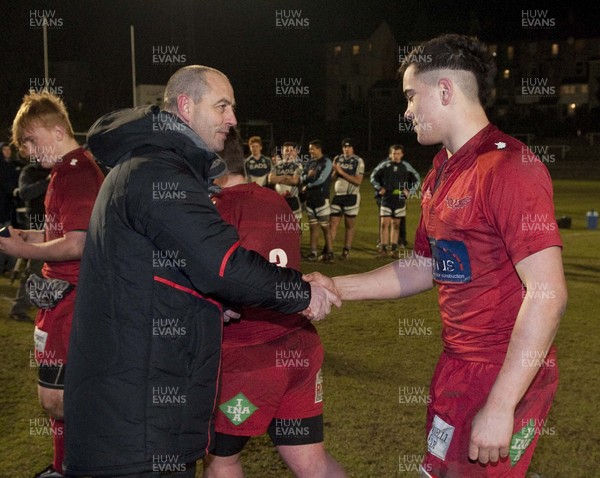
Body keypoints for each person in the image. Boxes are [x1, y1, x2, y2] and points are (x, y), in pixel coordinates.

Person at [306, 34, 567, 477]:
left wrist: (503, 404)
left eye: (411, 96)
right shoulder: (441, 171)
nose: (406, 111)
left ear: (445, 90)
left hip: (501, 369)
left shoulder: (508, 168)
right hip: (457, 365)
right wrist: (337, 287)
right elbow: (426, 266)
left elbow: (547, 293)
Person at [63, 65, 339, 478]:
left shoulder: (155, 167)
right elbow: (223, 266)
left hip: (142, 414)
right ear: (186, 106)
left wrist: (208, 307)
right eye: (222, 106)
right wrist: (303, 292)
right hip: (133, 424)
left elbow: (166, 279)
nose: (232, 118)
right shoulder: (155, 172)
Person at [203, 130, 346, 478]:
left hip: (249, 358)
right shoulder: (274, 200)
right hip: (298, 347)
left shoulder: (217, 210)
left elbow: (227, 282)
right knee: (312, 463)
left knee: (221, 460)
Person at [0, 92, 106, 478]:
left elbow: (78, 243)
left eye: (31, 139)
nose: (28, 150)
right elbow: (64, 230)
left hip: (72, 302)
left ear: (57, 130)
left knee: (57, 399)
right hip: (63, 300)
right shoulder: (69, 169)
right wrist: (28, 237)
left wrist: (24, 250)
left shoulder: (76, 171)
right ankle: (66, 466)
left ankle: (81, 466)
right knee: (61, 398)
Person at [8, 146, 50, 322]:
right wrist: (47, 181)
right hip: (36, 223)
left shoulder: (58, 170)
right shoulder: (29, 171)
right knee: (35, 268)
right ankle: (19, 307)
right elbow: (25, 193)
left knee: (53, 269)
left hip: (57, 224)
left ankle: (45, 306)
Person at [371, 144, 419, 258]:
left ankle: (393, 249)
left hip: (399, 199)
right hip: (386, 198)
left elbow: (416, 178)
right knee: (384, 224)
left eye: (398, 153)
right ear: (390, 154)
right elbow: (373, 177)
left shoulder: (406, 166)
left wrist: (410, 191)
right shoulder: (384, 165)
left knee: (396, 225)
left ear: (402, 155)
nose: (396, 156)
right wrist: (379, 188)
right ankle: (383, 249)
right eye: (393, 153)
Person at [329, 138, 364, 261]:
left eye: (348, 147)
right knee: (332, 224)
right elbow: (332, 179)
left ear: (353, 148)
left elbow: (358, 181)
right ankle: (329, 251)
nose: (346, 149)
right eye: (344, 147)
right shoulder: (337, 159)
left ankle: (346, 250)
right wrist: (334, 172)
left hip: (351, 197)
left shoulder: (358, 161)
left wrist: (341, 172)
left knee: (349, 225)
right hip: (338, 196)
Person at [301, 140, 334, 263]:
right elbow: (302, 177)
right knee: (313, 227)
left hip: (321, 198)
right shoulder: (310, 162)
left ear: (318, 149)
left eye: (312, 149)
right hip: (310, 199)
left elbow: (322, 179)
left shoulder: (327, 162)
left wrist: (308, 185)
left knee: (325, 227)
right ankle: (313, 253)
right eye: (310, 149)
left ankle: (329, 253)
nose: (310, 151)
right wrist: (308, 176)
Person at [268, 141, 304, 222]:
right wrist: (286, 176)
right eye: (286, 150)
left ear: (295, 152)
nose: (289, 152)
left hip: (293, 200)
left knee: (296, 229)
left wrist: (278, 179)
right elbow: (271, 180)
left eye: (291, 150)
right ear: (282, 152)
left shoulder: (298, 165)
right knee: (281, 228)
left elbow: (295, 181)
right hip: (279, 201)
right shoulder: (277, 165)